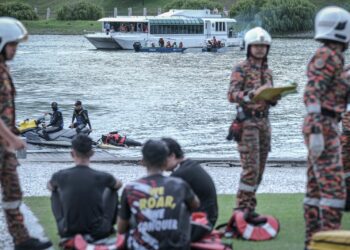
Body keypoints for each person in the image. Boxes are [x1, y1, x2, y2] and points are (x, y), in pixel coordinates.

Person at [0, 17, 52, 250]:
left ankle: (22, 240)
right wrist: (13, 139)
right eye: (13, 45)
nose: (15, 50)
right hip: (5, 142)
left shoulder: (3, 70)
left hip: (5, 146)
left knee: (13, 193)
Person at [302, 6, 350, 249]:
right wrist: (318, 132)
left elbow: (329, 88)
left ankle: (312, 241)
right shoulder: (329, 56)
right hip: (324, 126)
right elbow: (312, 94)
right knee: (334, 189)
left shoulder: (331, 56)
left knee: (315, 188)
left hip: (322, 125)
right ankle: (330, 240)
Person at [227, 27, 279, 215]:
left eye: (263, 46)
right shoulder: (241, 68)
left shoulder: (268, 72)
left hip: (264, 123)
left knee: (260, 169)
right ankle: (241, 209)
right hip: (247, 123)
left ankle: (249, 206)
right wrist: (251, 95)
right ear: (249, 47)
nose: (260, 49)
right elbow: (231, 95)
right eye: (256, 46)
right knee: (250, 168)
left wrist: (273, 96)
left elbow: (269, 100)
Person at [118, 139, 200, 250]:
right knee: (185, 206)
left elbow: (121, 229)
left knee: (132, 210)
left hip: (140, 247)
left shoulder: (131, 189)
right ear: (165, 161)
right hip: (176, 247)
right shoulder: (179, 185)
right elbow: (195, 205)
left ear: (143, 161)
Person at [47, 135, 122, 240]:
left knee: (54, 190)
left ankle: (66, 223)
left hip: (67, 230)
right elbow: (118, 184)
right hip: (99, 231)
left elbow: (49, 186)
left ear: (72, 154)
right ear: (92, 153)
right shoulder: (102, 176)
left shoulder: (60, 175)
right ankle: (109, 227)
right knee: (112, 189)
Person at [162, 138, 218, 241]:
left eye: (162, 158)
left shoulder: (180, 174)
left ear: (172, 156)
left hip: (199, 225)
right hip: (207, 221)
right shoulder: (189, 166)